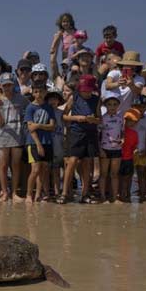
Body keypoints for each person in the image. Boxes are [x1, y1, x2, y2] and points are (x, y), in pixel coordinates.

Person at [60, 75, 101, 204]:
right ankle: (65, 193)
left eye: (88, 90)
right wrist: (77, 118)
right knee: (72, 161)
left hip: (91, 132)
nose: (85, 92)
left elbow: (100, 118)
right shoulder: (74, 97)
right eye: (83, 90)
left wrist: (92, 120)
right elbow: (64, 116)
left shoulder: (96, 99)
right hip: (76, 132)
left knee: (87, 163)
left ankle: (85, 194)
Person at [0, 73, 29, 202]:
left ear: (13, 85)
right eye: (5, 85)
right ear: (1, 86)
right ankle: (4, 193)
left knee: (15, 165)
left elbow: (29, 114)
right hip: (3, 135)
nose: (7, 87)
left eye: (9, 85)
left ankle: (14, 193)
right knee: (2, 166)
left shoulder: (22, 99)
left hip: (18, 135)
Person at [24, 85, 56, 203]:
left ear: (45, 92)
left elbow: (52, 126)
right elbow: (31, 128)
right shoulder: (30, 108)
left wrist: (39, 125)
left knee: (44, 170)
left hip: (47, 141)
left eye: (41, 91)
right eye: (36, 91)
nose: (38, 94)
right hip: (33, 142)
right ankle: (28, 194)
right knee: (35, 169)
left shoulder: (49, 107)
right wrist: (38, 144)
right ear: (32, 93)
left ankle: (38, 194)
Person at [119, 108, 140, 202]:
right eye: (128, 120)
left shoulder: (134, 133)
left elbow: (135, 146)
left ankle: (127, 194)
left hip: (129, 158)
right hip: (120, 158)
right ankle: (123, 195)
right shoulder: (120, 132)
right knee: (122, 178)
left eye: (133, 121)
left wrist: (136, 150)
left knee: (129, 177)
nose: (131, 123)